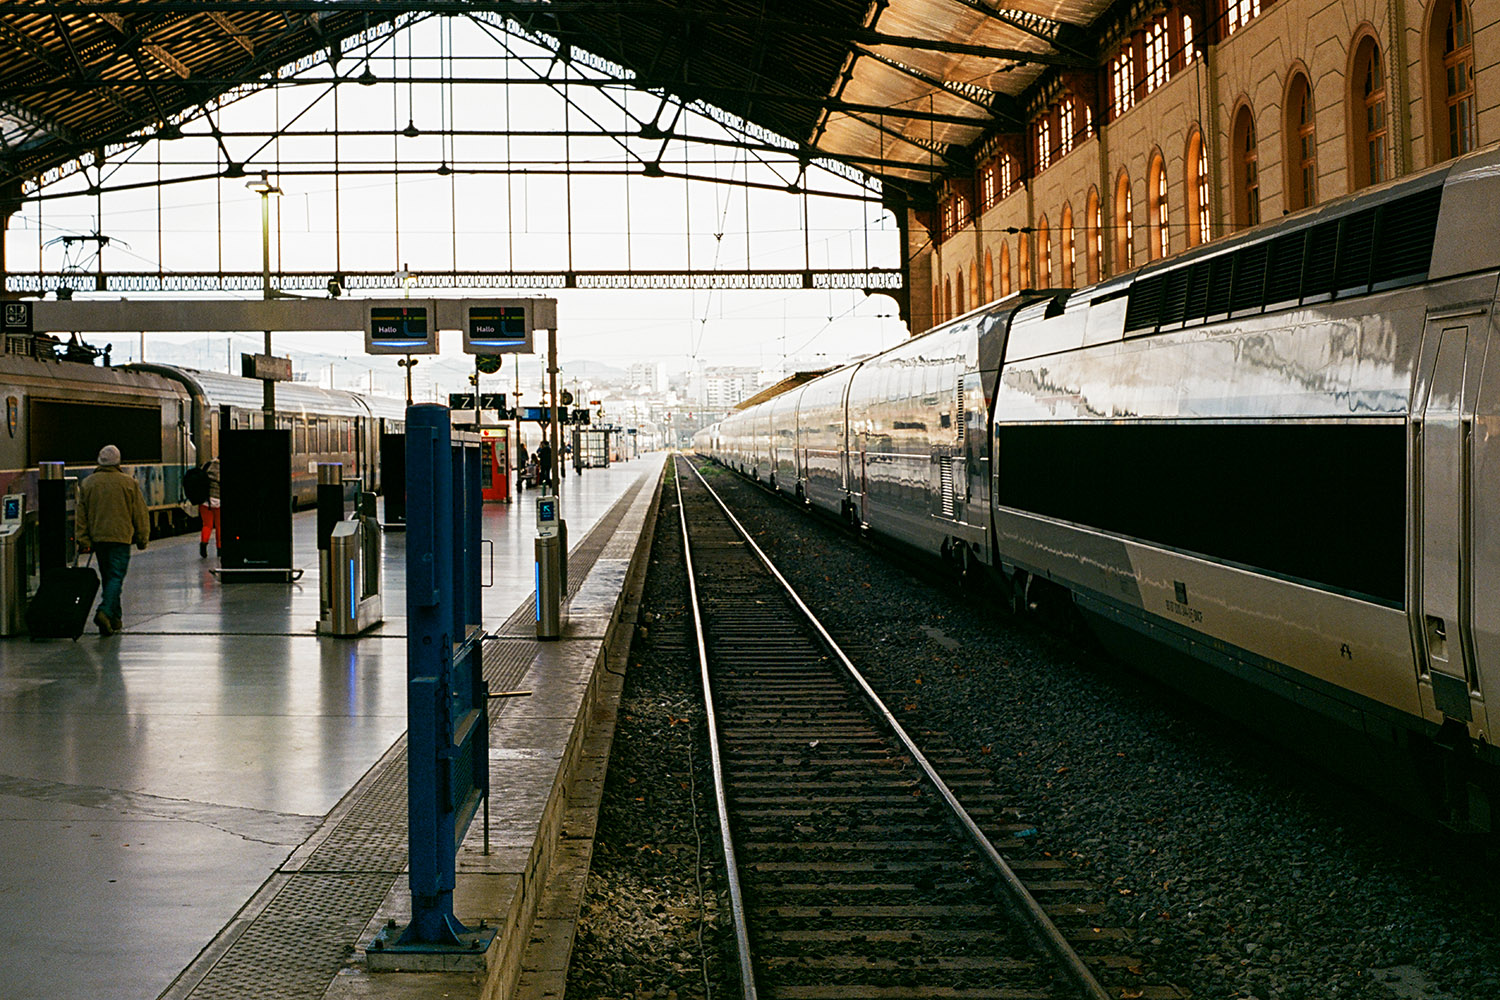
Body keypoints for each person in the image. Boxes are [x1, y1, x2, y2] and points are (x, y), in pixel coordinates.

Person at [76, 444, 149, 637]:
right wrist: (142, 537)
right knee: (116, 577)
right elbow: (140, 514)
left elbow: (81, 515)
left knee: (109, 577)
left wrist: (83, 538)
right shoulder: (128, 483)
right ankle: (105, 611)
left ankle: (114, 620)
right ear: (118, 461)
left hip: (99, 539)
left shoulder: (88, 483)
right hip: (120, 538)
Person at [198, 456, 220, 558]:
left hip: (205, 500)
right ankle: (219, 549)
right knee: (220, 526)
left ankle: (203, 544)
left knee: (207, 525)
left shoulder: (207, 465)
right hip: (218, 501)